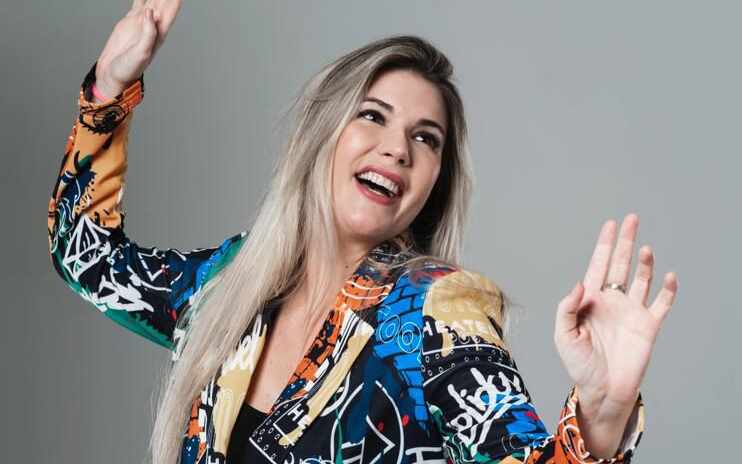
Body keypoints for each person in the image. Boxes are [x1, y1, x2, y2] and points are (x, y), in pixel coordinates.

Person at [47, 2, 678, 463]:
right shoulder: (229, 285)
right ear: (321, 134)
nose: (397, 148)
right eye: (372, 116)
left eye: (425, 138)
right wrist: (109, 88)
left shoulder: (433, 313)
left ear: (433, 180)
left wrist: (601, 418)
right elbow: (88, 257)